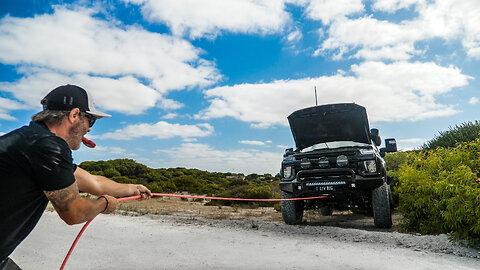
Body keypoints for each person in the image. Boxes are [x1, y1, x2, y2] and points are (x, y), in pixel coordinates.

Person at [0, 84, 152, 270]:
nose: (89, 130)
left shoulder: (31, 139)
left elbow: (92, 181)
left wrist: (132, 188)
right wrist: (103, 204)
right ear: (74, 115)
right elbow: (74, 213)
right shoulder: (48, 146)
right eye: (90, 121)